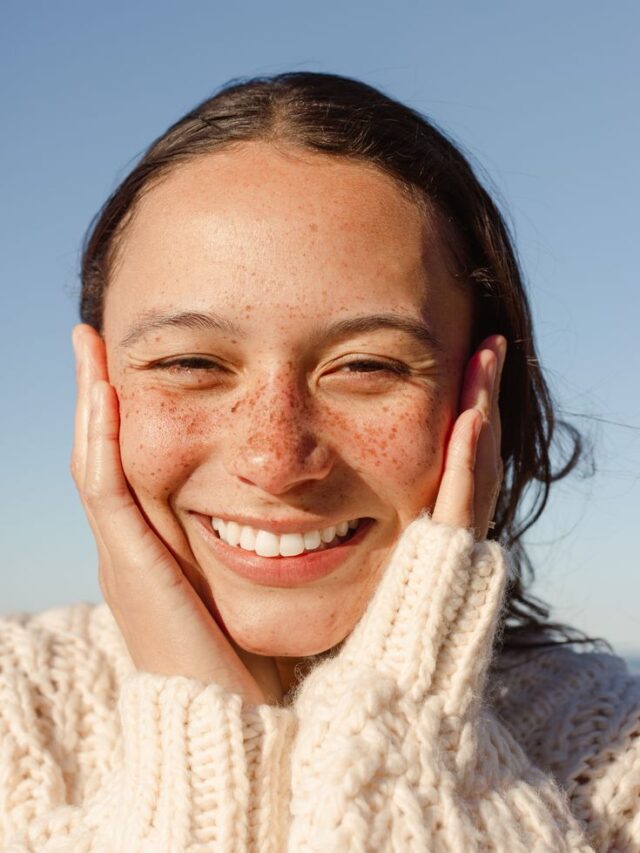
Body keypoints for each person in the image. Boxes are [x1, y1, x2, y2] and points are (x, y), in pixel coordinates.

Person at [0, 72, 638, 852]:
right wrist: (201, 728)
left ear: (484, 398)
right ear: (96, 386)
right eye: (191, 362)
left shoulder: (617, 761)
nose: (274, 458)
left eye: (366, 366)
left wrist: (406, 719)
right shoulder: (14, 711)